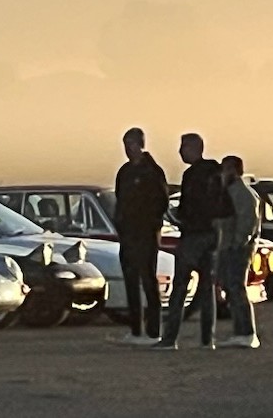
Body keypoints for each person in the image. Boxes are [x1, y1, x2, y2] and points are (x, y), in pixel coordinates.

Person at [156, 133, 229, 350]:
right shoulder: (216, 174)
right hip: (210, 235)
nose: (180, 152)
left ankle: (170, 338)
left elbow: (193, 205)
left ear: (194, 148)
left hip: (196, 234)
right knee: (206, 289)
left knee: (180, 286)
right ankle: (208, 339)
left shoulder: (194, 176)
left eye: (183, 147)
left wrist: (182, 218)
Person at [112, 127, 170, 344]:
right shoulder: (125, 172)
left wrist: (148, 222)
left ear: (140, 144)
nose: (128, 149)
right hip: (127, 235)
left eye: (131, 144)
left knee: (148, 280)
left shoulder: (153, 172)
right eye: (125, 145)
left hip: (146, 234)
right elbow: (120, 201)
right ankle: (135, 329)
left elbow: (161, 202)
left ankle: (154, 331)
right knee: (130, 282)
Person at [216, 155, 262, 348]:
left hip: (238, 249)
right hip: (227, 246)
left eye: (229, 169)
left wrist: (237, 242)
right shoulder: (227, 192)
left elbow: (247, 222)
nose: (225, 173)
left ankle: (246, 332)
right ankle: (240, 330)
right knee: (230, 287)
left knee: (237, 287)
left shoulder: (243, 194)